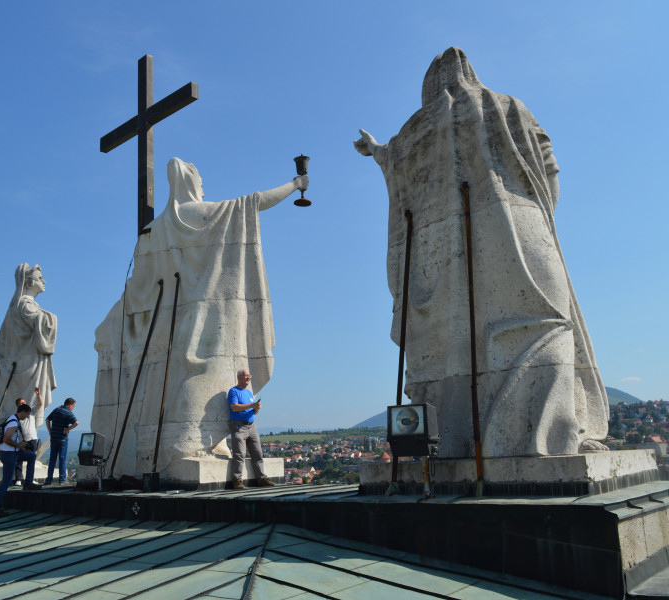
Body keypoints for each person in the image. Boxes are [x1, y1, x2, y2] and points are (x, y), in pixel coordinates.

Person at [354, 47, 608, 457]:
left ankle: (467, 438)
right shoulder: (510, 106)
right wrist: (540, 213)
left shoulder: (418, 127)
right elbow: (550, 169)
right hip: (523, 224)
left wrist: (374, 149)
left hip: (442, 248)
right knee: (545, 323)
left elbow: (394, 160)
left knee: (457, 341)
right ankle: (552, 436)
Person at [89, 158, 308, 479]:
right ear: (191, 182)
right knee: (209, 377)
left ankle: (199, 443)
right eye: (201, 181)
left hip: (171, 327)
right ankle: (188, 443)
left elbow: (138, 286)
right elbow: (254, 203)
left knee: (188, 379)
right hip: (207, 322)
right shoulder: (198, 213)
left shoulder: (154, 229)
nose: (204, 187)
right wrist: (295, 184)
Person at [0, 263, 57, 429]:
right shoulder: (25, 305)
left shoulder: (19, 305)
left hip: (20, 364)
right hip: (28, 365)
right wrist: (50, 318)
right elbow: (40, 323)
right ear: (29, 283)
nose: (44, 281)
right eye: (40, 278)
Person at [0, 404, 41, 518]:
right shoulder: (13, 423)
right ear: (23, 412)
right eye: (27, 414)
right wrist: (19, 445)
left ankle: (28, 482)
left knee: (31, 456)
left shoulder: (11, 419)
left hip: (11, 453)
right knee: (6, 482)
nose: (27, 417)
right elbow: (6, 439)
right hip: (9, 454)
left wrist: (20, 448)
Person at [228, 369, 275, 489]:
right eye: (246, 376)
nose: (249, 378)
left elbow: (254, 411)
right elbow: (234, 407)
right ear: (239, 377)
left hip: (252, 426)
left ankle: (262, 478)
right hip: (238, 426)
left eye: (249, 376)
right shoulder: (233, 391)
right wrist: (252, 405)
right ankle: (237, 480)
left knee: (257, 453)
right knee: (239, 454)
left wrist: (256, 408)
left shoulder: (249, 393)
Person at [44, 398, 78, 485]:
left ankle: (49, 480)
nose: (73, 408)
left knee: (52, 459)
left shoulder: (56, 410)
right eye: (73, 406)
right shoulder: (68, 412)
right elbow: (76, 423)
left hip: (54, 437)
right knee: (62, 459)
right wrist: (68, 428)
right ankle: (62, 480)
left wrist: (50, 430)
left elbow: (47, 420)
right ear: (69, 405)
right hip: (62, 438)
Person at [13, 388, 43, 485]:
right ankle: (18, 478)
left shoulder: (31, 412)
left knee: (32, 458)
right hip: (22, 440)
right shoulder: (16, 416)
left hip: (33, 438)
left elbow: (40, 404)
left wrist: (38, 394)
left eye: (24, 402)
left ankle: (30, 478)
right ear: (18, 405)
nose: (23, 404)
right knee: (19, 460)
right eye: (21, 403)